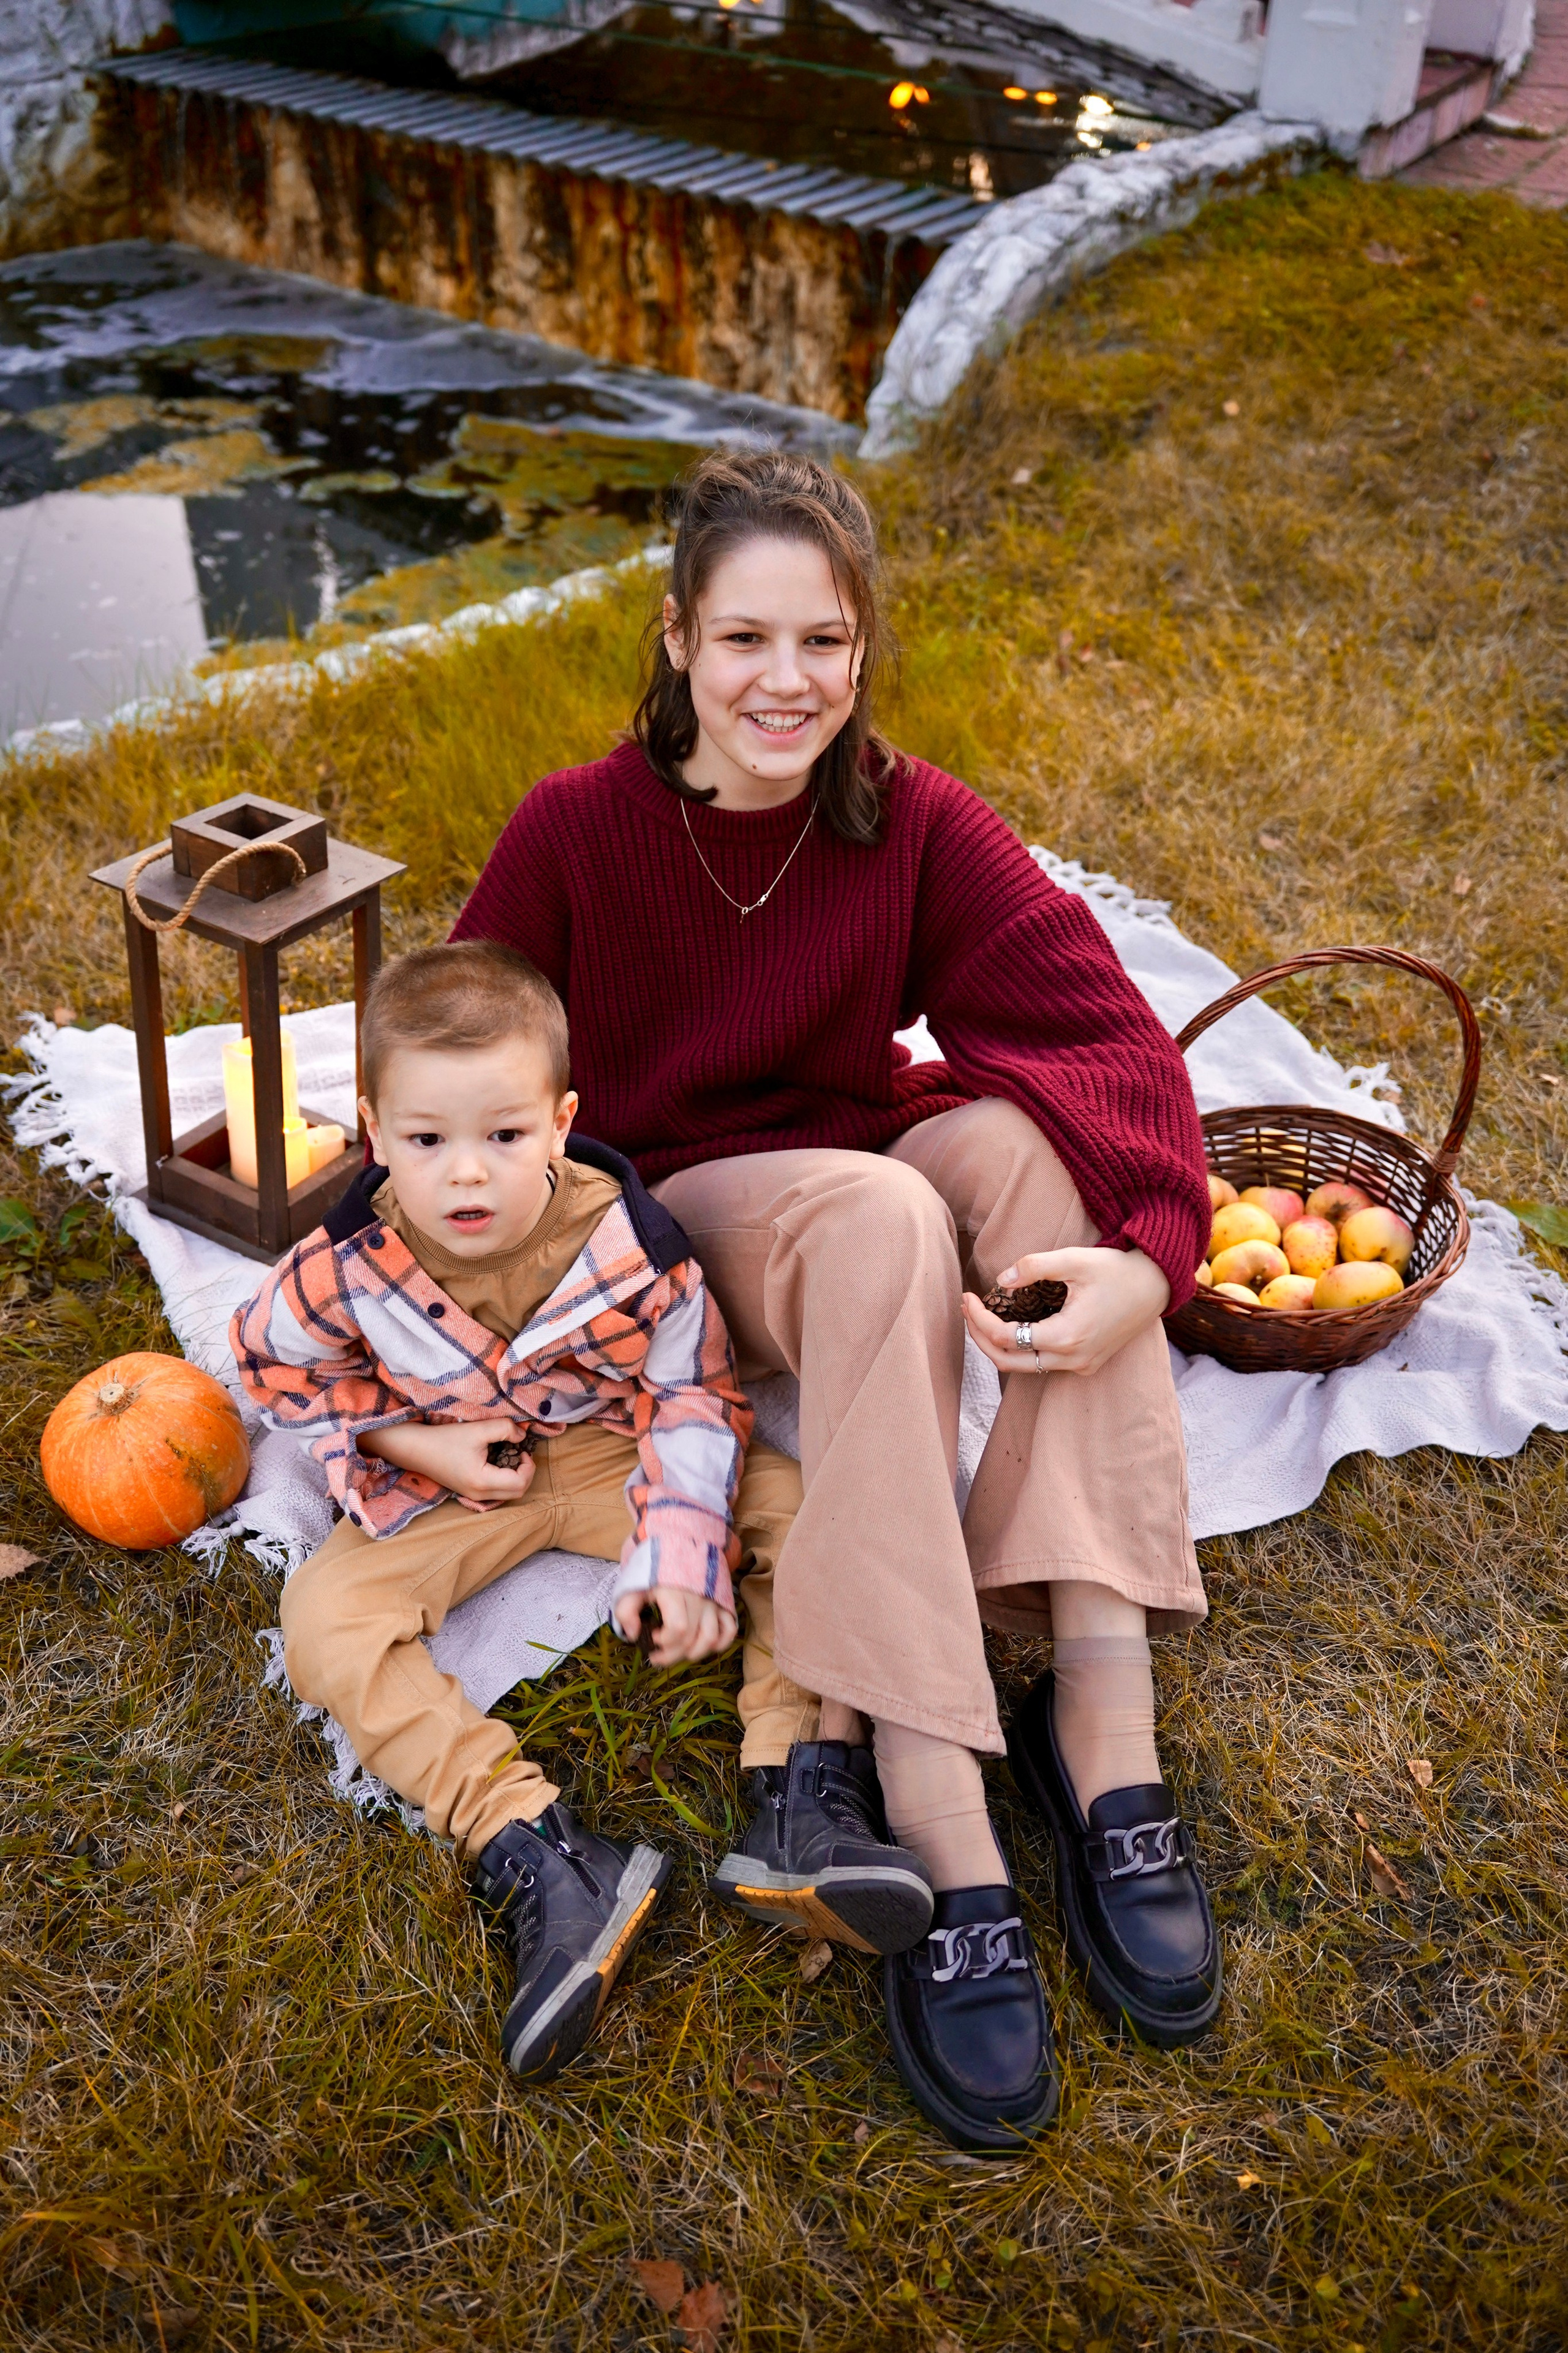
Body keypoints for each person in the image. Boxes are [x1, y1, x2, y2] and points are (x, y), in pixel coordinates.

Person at [451, 448, 1222, 2154]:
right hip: (684, 1204)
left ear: (864, 646)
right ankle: (934, 1795)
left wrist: (1147, 1261)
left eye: (825, 640)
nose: (785, 681)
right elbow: (461, 1062)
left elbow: (1102, 1027)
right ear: (677, 636)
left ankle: (1098, 1704)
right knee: (885, 1212)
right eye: (745, 638)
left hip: (851, 1154)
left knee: (1027, 1148)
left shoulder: (904, 813)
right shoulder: (573, 831)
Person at [231, 941, 935, 2083]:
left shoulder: (635, 1249)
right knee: (323, 1618)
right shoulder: (345, 1264)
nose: (468, 1174)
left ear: (561, 1122)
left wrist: (678, 1548)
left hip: (613, 1448)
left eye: (505, 1136)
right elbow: (270, 1365)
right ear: (374, 1134)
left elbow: (693, 1393)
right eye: (427, 1140)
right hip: (462, 1478)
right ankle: (539, 1848)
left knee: (800, 1511)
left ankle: (795, 1790)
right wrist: (405, 1438)